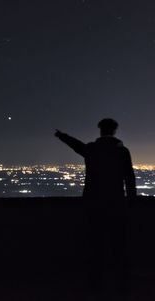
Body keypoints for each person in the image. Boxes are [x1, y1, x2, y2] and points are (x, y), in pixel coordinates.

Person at [54, 118, 136, 295]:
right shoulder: (122, 152)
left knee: (95, 246)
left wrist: (62, 136)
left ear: (100, 131)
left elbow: (76, 145)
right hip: (116, 205)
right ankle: (122, 286)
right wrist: (132, 203)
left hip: (94, 205)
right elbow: (129, 178)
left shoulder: (92, 150)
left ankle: (95, 285)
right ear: (114, 131)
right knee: (118, 247)